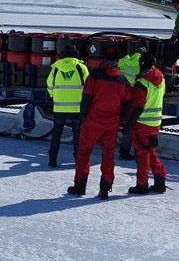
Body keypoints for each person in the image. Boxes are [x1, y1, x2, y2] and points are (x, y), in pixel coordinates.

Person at [68, 58, 133, 199]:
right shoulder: (123, 80)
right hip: (112, 122)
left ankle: (80, 187)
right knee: (108, 154)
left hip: (93, 120)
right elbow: (127, 103)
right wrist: (121, 120)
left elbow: (86, 97)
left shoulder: (95, 76)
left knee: (84, 152)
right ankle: (105, 188)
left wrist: (83, 115)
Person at [125, 51, 168, 194]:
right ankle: (160, 179)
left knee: (142, 154)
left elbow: (137, 107)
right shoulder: (160, 77)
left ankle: (142, 185)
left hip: (142, 123)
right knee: (150, 152)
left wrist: (128, 125)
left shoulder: (141, 83)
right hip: (155, 122)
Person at [45, 44, 89, 168]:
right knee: (77, 135)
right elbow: (88, 87)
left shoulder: (56, 68)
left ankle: (52, 160)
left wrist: (55, 96)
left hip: (59, 108)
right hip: (77, 108)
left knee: (56, 134)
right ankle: (78, 160)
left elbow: (49, 84)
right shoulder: (81, 68)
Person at [116, 46, 143, 161]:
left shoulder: (123, 60)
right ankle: (126, 151)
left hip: (120, 94)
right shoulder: (141, 64)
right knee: (132, 124)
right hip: (132, 96)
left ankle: (122, 149)